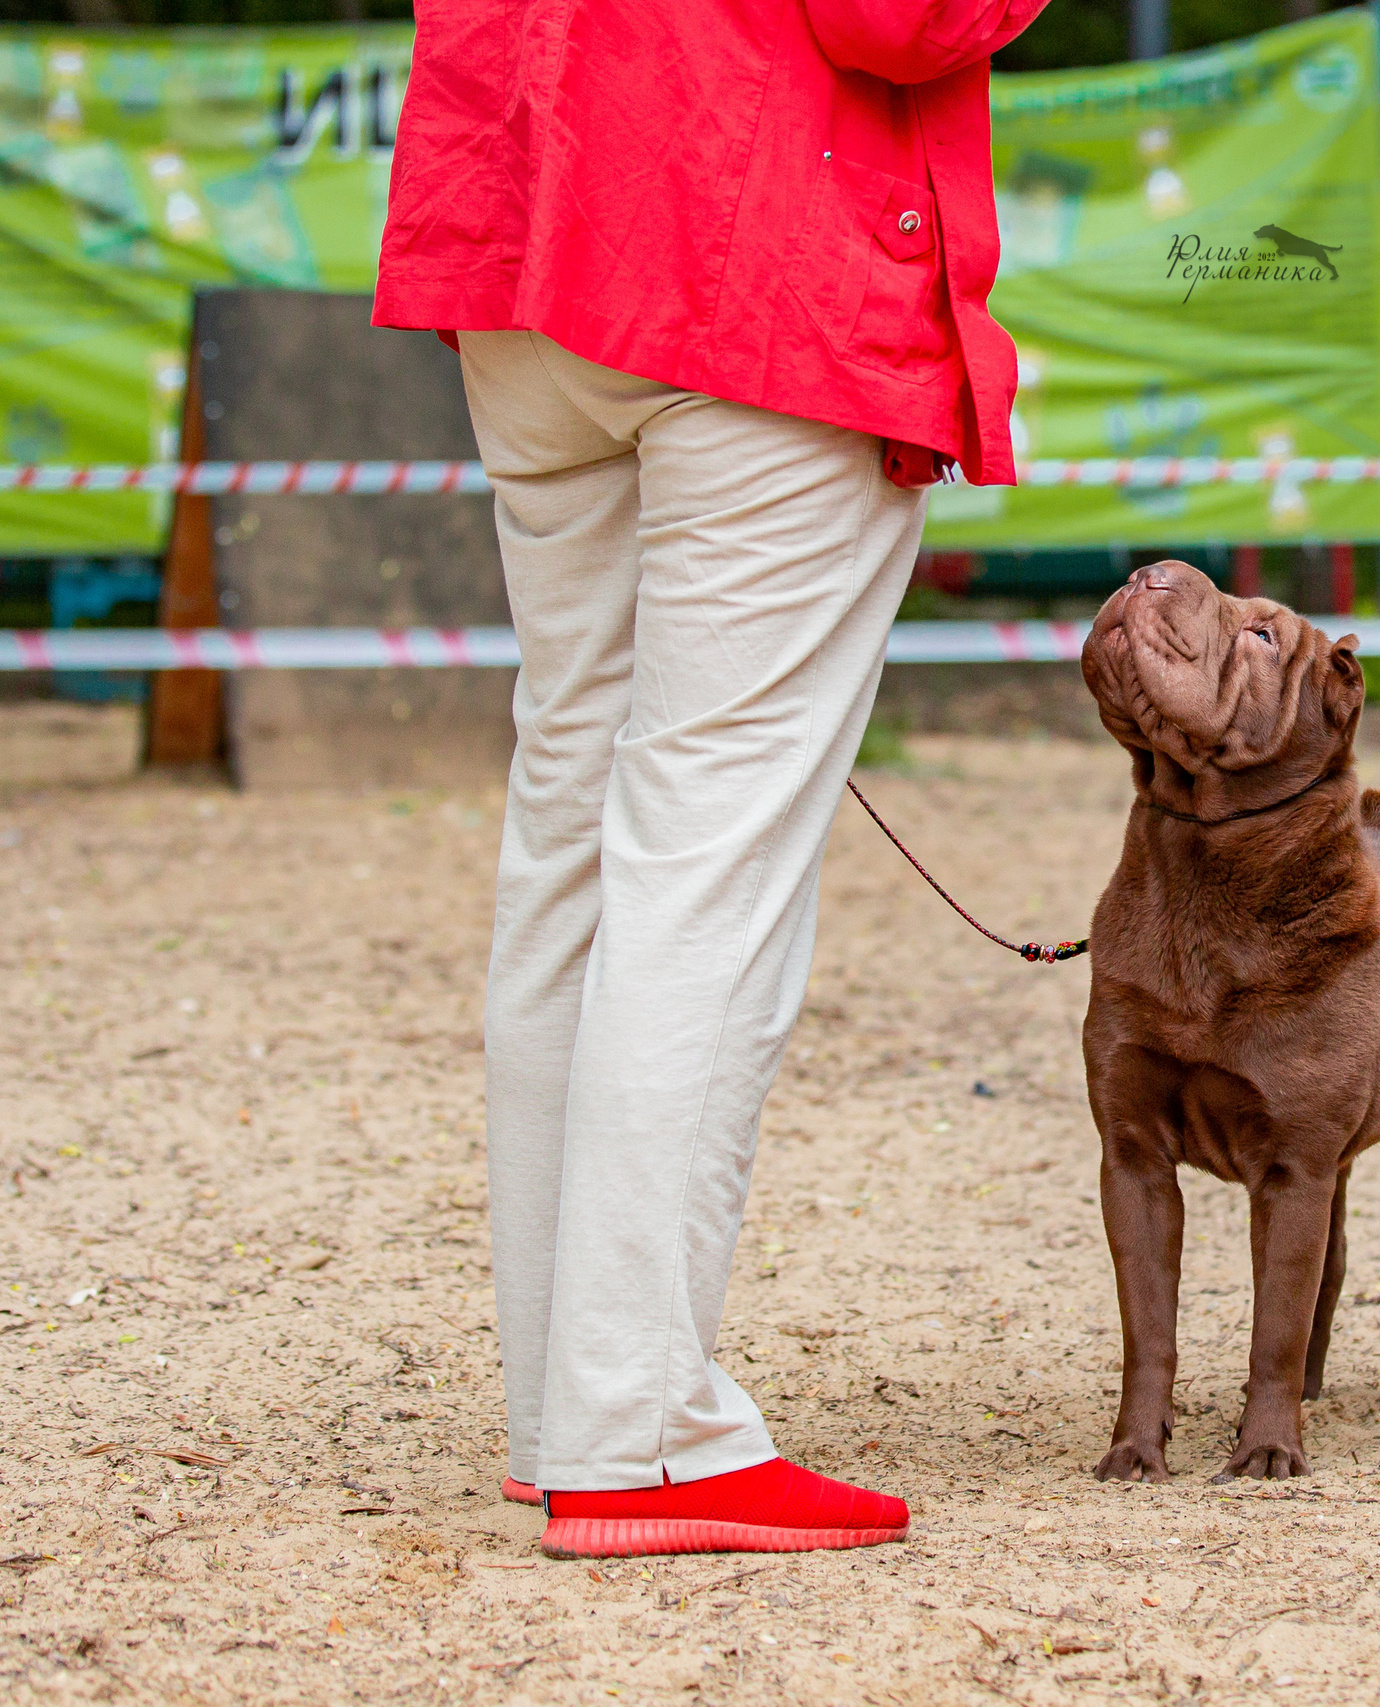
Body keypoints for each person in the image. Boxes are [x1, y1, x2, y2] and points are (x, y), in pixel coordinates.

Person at [372, 0, 1047, 1559]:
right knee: (703, 857)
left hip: (534, 238)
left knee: (572, 828)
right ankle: (638, 1434)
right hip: (751, 241)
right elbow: (907, 18)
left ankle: (566, 1414)